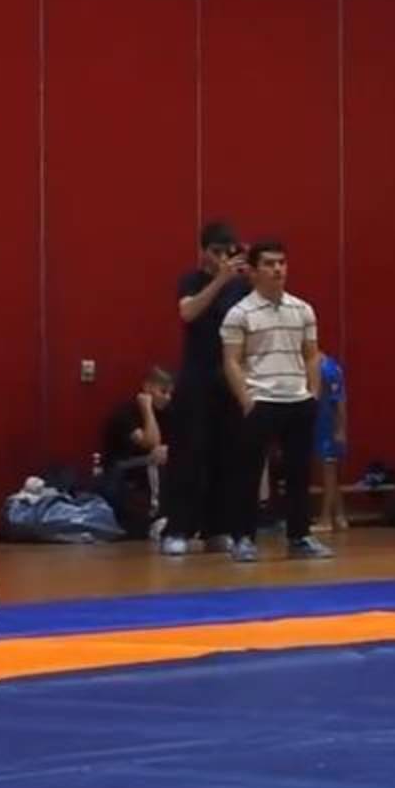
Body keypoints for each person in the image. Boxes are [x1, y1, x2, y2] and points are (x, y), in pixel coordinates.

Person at [219, 241, 330, 562]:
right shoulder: (239, 313)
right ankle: (243, 538)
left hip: (298, 399)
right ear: (253, 272)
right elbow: (231, 360)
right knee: (248, 473)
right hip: (261, 400)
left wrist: (313, 393)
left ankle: (300, 536)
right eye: (269, 264)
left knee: (298, 473)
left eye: (282, 262)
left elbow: (311, 355)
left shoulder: (303, 309)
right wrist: (246, 399)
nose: (278, 269)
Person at [161, 220, 250, 557]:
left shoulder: (242, 288)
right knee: (189, 455)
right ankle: (178, 528)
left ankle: (219, 528)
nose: (222, 258)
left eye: (228, 252)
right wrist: (220, 280)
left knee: (226, 455)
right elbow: (188, 312)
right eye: (215, 252)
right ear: (203, 252)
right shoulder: (192, 280)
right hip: (196, 379)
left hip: (229, 379)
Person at [98, 368, 173, 536]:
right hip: (119, 470)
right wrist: (147, 409)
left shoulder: (167, 413)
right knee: (155, 461)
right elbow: (150, 442)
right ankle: (156, 518)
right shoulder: (125, 414)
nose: (167, 398)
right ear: (147, 387)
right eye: (163, 392)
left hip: (145, 469)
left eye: (170, 394)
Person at [314, 348, 347, 533]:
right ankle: (339, 516)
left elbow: (339, 401)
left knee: (328, 474)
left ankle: (325, 518)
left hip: (328, 427)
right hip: (318, 425)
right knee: (330, 475)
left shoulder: (328, 368)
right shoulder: (317, 365)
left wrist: (340, 429)